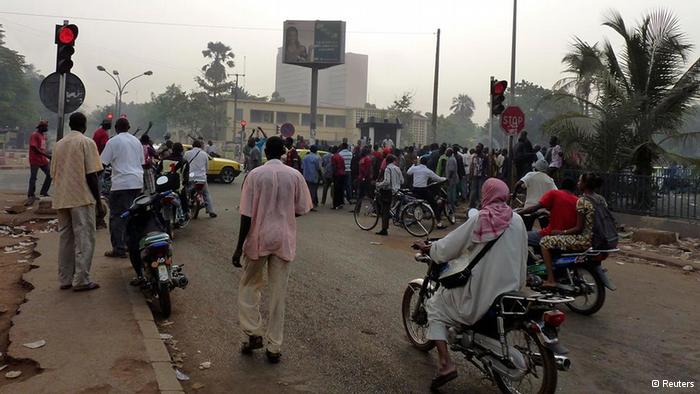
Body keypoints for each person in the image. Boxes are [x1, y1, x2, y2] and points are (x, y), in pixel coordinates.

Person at [413, 178, 526, 389]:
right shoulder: (517, 220)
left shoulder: (482, 219)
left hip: (481, 295)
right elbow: (523, 257)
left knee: (435, 305)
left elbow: (450, 246)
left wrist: (431, 248)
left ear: (486, 194)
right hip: (510, 291)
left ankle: (446, 364)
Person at [232, 136, 312, 364]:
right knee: (279, 295)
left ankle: (252, 331)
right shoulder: (295, 176)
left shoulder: (254, 175)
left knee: (248, 287)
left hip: (258, 237)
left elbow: (246, 215)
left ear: (266, 151)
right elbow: (301, 209)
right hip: (283, 238)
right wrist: (283, 211)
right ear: (284, 152)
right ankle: (274, 347)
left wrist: (238, 248)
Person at [50, 112, 104, 292]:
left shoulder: (58, 145)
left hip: (61, 196)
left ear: (70, 125)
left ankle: (65, 279)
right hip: (81, 197)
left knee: (65, 238)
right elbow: (92, 175)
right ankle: (81, 279)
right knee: (84, 238)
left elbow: (53, 173)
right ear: (85, 125)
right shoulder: (87, 143)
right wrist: (98, 200)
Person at [539, 173, 604, 287]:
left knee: (544, 242)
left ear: (584, 184)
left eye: (580, 181)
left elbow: (578, 228)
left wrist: (561, 232)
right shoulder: (600, 199)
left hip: (584, 240)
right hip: (597, 239)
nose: (578, 183)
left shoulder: (582, 201)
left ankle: (550, 279)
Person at [101, 118, 144, 260]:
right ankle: (131, 245)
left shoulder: (113, 141)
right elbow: (141, 162)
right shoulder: (136, 141)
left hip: (121, 185)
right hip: (137, 183)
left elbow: (102, 163)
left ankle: (119, 249)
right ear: (129, 127)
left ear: (116, 128)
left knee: (116, 217)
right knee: (132, 215)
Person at [518, 177, 579, 249]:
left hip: (550, 234)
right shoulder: (578, 201)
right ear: (574, 188)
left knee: (519, 236)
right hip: (569, 237)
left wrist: (518, 213)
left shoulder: (554, 193)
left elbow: (533, 208)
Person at [513, 159, 558, 229]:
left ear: (536, 168)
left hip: (529, 208)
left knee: (526, 230)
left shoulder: (531, 175)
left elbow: (518, 184)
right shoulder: (550, 180)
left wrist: (514, 194)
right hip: (543, 210)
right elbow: (556, 193)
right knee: (545, 232)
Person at [408, 157, 447, 229]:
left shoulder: (415, 168)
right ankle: (439, 223)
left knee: (416, 203)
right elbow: (437, 178)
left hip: (414, 190)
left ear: (420, 162)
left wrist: (413, 165)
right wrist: (444, 178)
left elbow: (408, 172)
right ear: (427, 163)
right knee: (434, 204)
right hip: (423, 190)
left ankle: (416, 218)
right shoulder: (427, 171)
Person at [184, 140, 217, 218]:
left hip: (190, 177)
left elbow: (184, 165)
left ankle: (185, 210)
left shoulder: (187, 153)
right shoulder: (204, 154)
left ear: (192, 146)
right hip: (202, 178)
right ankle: (211, 211)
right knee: (206, 194)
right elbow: (207, 167)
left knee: (186, 193)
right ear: (200, 146)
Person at [375, 154, 403, 236]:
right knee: (392, 207)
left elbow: (387, 181)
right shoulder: (397, 168)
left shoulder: (388, 169)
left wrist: (379, 184)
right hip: (397, 190)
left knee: (385, 210)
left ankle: (384, 229)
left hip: (388, 192)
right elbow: (402, 181)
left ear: (386, 161)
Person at [26, 120, 52, 205]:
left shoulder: (42, 136)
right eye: (45, 127)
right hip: (35, 159)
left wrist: (48, 154)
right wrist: (47, 155)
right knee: (33, 177)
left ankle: (44, 191)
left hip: (43, 160)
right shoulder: (35, 135)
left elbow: (43, 148)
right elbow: (35, 148)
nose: (47, 128)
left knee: (50, 174)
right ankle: (31, 194)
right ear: (41, 127)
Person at [162, 142, 190, 219]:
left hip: (164, 186)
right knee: (184, 198)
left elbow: (157, 172)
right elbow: (186, 177)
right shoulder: (184, 161)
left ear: (172, 150)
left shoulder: (164, 160)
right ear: (181, 150)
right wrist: (186, 184)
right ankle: (186, 212)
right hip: (177, 187)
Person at [301, 145, 322, 210]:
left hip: (305, 176)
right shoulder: (317, 158)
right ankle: (310, 205)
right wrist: (321, 176)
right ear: (316, 150)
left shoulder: (305, 157)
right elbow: (318, 168)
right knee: (313, 191)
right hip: (314, 176)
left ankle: (306, 204)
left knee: (306, 191)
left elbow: (302, 167)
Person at [468, 143, 488, 209]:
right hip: (474, 176)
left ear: (481, 148)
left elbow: (486, 167)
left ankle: (480, 205)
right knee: (473, 191)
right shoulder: (474, 156)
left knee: (480, 191)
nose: (477, 148)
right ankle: (471, 204)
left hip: (481, 176)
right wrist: (470, 175)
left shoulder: (484, 157)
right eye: (476, 147)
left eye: (478, 147)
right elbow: (472, 166)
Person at [355, 146, 374, 211]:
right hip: (365, 179)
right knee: (368, 194)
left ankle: (357, 208)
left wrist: (364, 177)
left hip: (364, 179)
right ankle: (375, 208)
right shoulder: (367, 159)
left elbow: (365, 170)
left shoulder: (363, 160)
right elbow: (368, 169)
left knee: (362, 194)